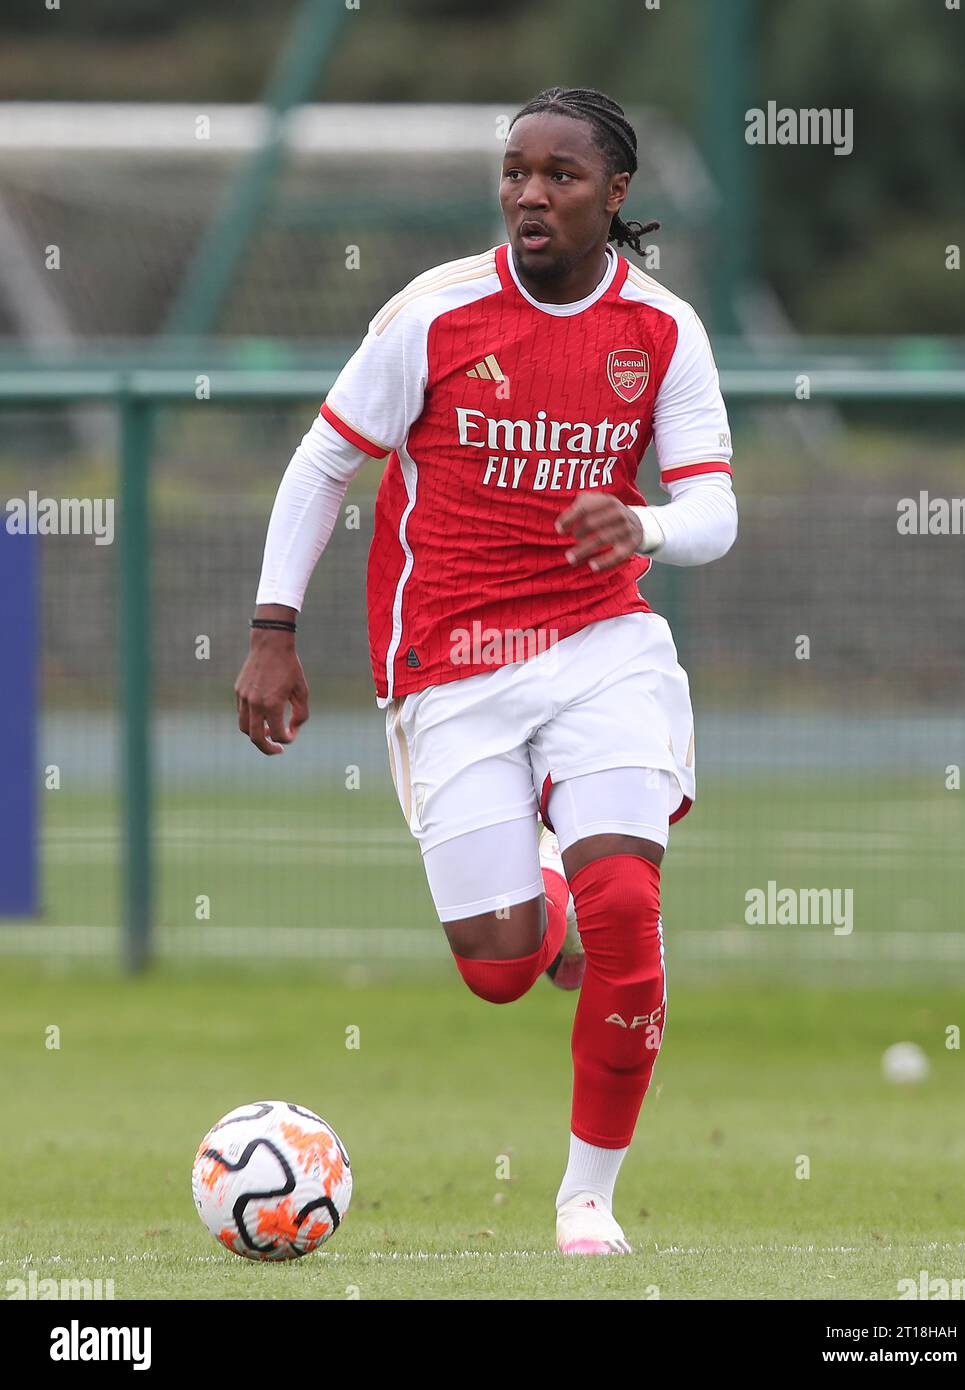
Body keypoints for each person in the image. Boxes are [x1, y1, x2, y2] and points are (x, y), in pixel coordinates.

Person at [235, 86, 737, 1255]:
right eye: (514, 170)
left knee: (627, 905)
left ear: (614, 196)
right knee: (502, 967)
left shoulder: (662, 331)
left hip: (602, 644)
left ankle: (585, 1198)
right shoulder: (432, 313)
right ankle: (542, 891)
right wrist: (272, 628)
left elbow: (713, 506)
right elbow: (323, 466)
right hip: (447, 666)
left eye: (560, 175)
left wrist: (646, 526)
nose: (528, 193)